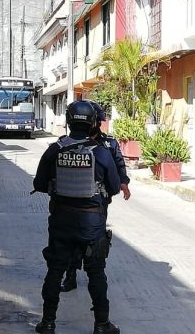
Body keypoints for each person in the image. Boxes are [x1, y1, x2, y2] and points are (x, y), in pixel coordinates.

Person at [33, 100, 121, 334]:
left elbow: (39, 184)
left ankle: (48, 323)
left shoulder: (55, 149)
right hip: (92, 224)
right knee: (96, 273)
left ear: (68, 122)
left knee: (55, 270)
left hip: (61, 221)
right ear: (93, 123)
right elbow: (114, 187)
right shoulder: (101, 152)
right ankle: (102, 324)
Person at [60, 101, 131, 293]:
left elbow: (119, 166)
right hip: (71, 201)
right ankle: (71, 275)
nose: (96, 124)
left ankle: (96, 274)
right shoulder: (66, 144)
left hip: (97, 202)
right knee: (72, 241)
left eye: (98, 121)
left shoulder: (108, 144)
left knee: (95, 242)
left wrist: (123, 183)